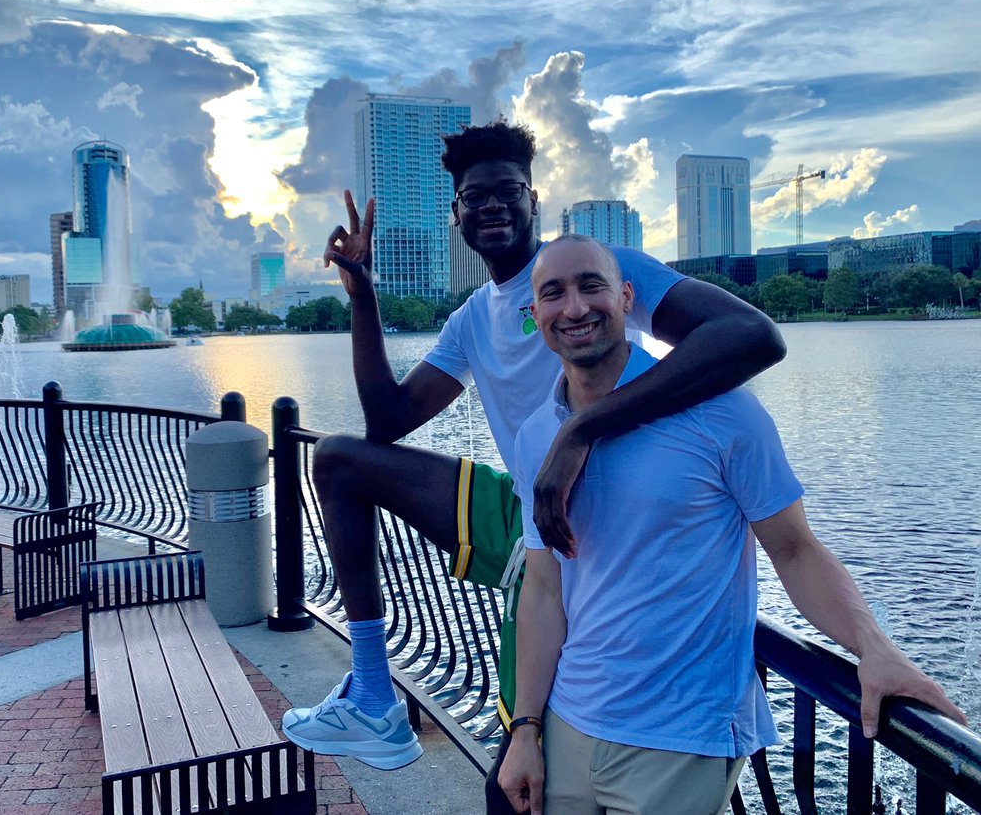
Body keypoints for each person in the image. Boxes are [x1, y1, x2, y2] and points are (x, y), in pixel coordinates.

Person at [281, 121, 786, 801]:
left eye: (506, 190)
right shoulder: (471, 320)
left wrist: (582, 430)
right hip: (529, 517)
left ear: (533, 200)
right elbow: (388, 420)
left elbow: (749, 336)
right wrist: (363, 293)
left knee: (511, 791)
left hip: (593, 529)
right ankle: (373, 694)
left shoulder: (589, 273)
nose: (491, 205)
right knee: (341, 461)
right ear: (455, 215)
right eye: (473, 195)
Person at [497, 235, 967, 815]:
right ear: (534, 314)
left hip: (681, 735)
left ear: (625, 298)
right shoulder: (536, 435)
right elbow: (545, 590)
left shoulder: (722, 413)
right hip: (567, 723)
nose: (574, 308)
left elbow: (794, 550)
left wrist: (874, 646)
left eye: (591, 286)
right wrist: (526, 729)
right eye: (553, 294)